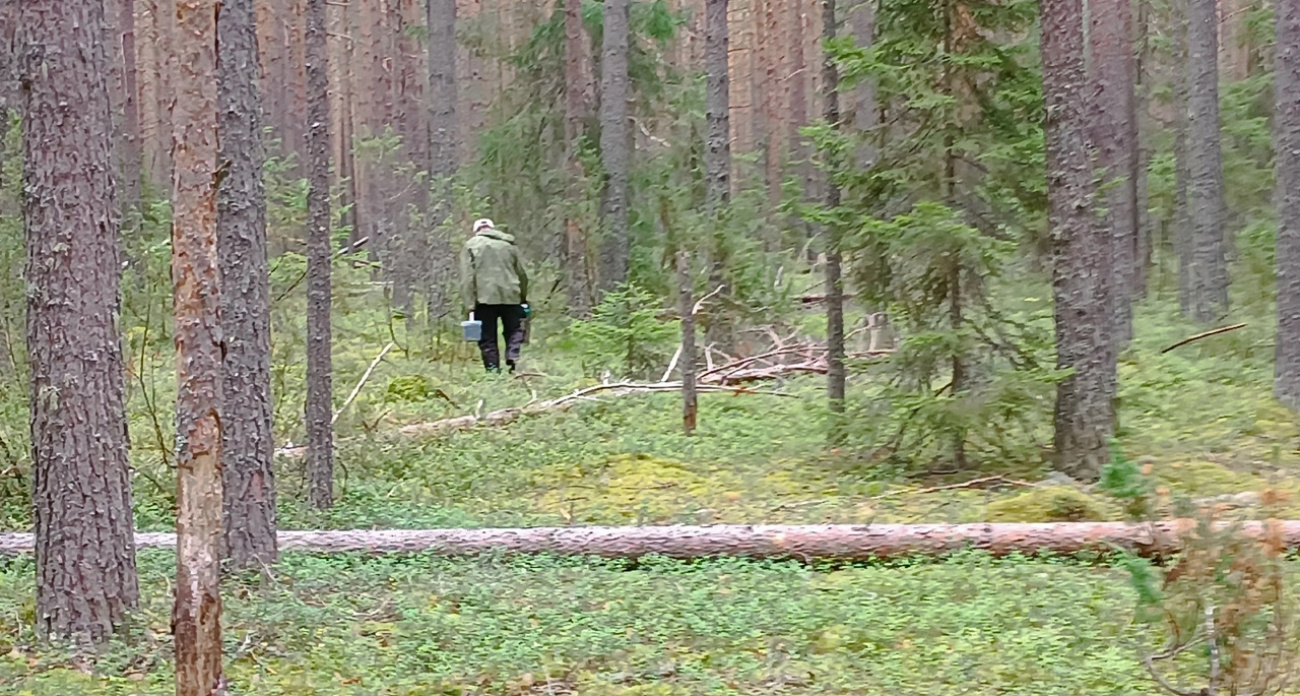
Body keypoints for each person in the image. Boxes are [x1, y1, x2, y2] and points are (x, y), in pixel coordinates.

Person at [460, 218, 529, 373]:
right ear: (492, 229)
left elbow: (468, 279)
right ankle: (513, 357)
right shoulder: (509, 245)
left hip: (484, 300)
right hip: (512, 296)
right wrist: (523, 297)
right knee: (514, 330)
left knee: (487, 338)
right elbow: (522, 274)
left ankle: (493, 372)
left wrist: (469, 305)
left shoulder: (471, 245)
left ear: (476, 230)